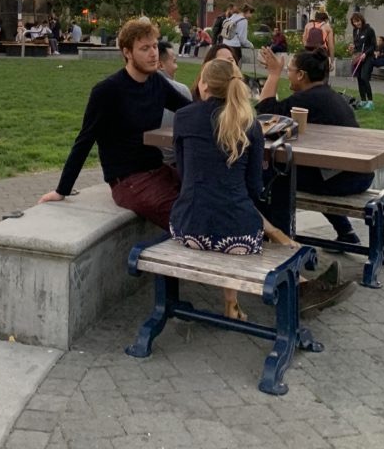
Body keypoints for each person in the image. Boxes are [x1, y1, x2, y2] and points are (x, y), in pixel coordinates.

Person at [38, 17, 190, 229]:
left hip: (159, 170)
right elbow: (85, 140)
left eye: (155, 46)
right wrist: (62, 190)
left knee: (207, 198)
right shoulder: (107, 91)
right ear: (127, 52)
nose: (154, 53)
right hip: (129, 181)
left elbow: (189, 110)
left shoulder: (157, 82)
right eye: (145, 48)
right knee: (189, 220)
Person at [169, 57, 264, 320]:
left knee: (208, 206)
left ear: (204, 85)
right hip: (239, 237)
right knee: (239, 214)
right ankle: (231, 302)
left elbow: (183, 173)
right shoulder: (250, 124)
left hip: (190, 228)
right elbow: (255, 187)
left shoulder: (184, 117)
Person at [258, 45, 372, 245]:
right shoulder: (327, 95)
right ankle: (346, 233)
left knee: (274, 177)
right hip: (355, 173)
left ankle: (280, 239)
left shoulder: (309, 99)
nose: (288, 74)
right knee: (303, 172)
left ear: (301, 75)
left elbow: (265, 113)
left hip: (346, 179)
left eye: (290, 70)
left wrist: (273, 73)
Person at [156, 39, 193, 165]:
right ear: (160, 65)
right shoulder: (181, 90)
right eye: (174, 62)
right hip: (173, 161)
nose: (177, 67)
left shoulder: (137, 88)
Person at [349, 12, 378, 109]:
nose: (357, 23)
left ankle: (370, 101)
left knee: (365, 77)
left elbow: (373, 45)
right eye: (354, 22)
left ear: (361, 20)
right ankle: (363, 100)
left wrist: (365, 53)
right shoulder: (355, 31)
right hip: (358, 57)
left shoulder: (369, 30)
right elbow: (357, 44)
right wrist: (353, 47)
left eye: (358, 21)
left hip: (368, 57)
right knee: (359, 79)